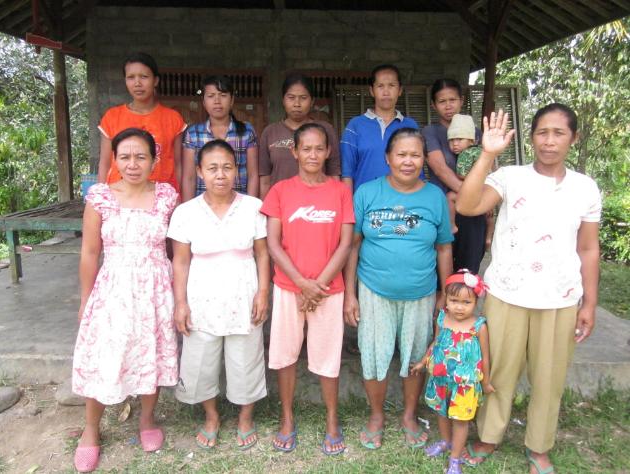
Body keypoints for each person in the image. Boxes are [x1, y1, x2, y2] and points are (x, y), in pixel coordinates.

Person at [456, 106, 601, 474]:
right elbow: (468, 205)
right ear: (532, 136)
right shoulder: (510, 177)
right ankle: (488, 436)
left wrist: (589, 302)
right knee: (499, 372)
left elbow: (588, 248)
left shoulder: (585, 187)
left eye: (559, 133)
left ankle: (539, 446)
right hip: (507, 293)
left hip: (559, 298)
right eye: (542, 132)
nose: (549, 141)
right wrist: (487, 154)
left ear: (573, 138)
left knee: (549, 378)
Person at [72, 128, 179, 472]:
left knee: (151, 351)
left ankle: (147, 419)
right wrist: (86, 299)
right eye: (125, 157)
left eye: (141, 157)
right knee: (106, 355)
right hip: (113, 288)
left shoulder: (167, 196)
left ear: (154, 160)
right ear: (114, 160)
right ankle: (91, 429)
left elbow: (177, 250)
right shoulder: (100, 197)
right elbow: (90, 252)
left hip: (155, 287)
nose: (133, 164)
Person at [343, 128, 453, 451]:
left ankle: (409, 415)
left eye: (415, 155)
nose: (408, 161)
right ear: (388, 158)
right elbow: (352, 245)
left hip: (421, 291)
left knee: (416, 356)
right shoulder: (367, 192)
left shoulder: (434, 197)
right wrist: (350, 293)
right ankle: (376, 415)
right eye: (401, 154)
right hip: (373, 289)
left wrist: (444, 294)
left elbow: (444, 248)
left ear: (424, 160)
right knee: (373, 354)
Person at [169, 140, 270, 450]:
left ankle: (245, 417)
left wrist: (263, 292)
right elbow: (180, 261)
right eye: (212, 168)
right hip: (202, 295)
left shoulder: (253, 207)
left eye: (227, 167)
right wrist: (180, 303)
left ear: (237, 171)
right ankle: (211, 416)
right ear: (200, 172)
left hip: (244, 292)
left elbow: (263, 254)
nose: (220, 175)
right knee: (200, 358)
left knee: (246, 357)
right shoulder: (185, 212)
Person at [261, 123, 354, 455]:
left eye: (319, 149)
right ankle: (287, 418)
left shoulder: (341, 191)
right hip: (289, 287)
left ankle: (332, 419)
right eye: (306, 149)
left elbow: (345, 244)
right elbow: (273, 243)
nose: (313, 155)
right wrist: (301, 283)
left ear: (328, 152)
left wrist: (318, 285)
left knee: (328, 356)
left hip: (329, 289)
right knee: (285, 355)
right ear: (295, 152)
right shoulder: (280, 191)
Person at [411, 270, 494, 474]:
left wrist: (485, 382)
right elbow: (436, 343)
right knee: (441, 411)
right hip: (440, 377)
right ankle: (446, 441)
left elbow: (485, 356)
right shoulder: (442, 319)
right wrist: (423, 361)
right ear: (446, 299)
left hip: (465, 383)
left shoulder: (479, 327)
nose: (459, 307)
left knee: (460, 419)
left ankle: (455, 457)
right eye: (454, 300)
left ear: (476, 302)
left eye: (466, 302)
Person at [97, 52, 186, 193]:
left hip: (161, 197)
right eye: (131, 77)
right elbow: (104, 163)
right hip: (119, 196)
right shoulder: (112, 117)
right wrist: (100, 197)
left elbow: (178, 164)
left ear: (155, 80)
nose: (137, 83)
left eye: (144, 77)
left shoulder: (173, 118)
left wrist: (179, 198)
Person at [422, 79, 486, 273]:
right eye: (442, 101)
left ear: (461, 101)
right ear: (433, 105)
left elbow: (486, 167)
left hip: (473, 212)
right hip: (442, 209)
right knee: (439, 270)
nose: (448, 106)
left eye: (452, 100)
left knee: (468, 271)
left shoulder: (476, 133)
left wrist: (484, 199)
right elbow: (440, 169)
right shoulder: (430, 132)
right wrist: (472, 195)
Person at [259, 74, 341, 199]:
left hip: (319, 203)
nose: (297, 104)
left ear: (312, 101)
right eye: (291, 97)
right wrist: (266, 207)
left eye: (303, 98)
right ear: (283, 100)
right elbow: (265, 180)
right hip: (280, 203)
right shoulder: (270, 132)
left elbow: (334, 173)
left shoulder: (325, 130)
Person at [340, 64, 420, 193]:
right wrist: (349, 204)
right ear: (372, 91)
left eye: (391, 85)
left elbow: (417, 169)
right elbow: (347, 173)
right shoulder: (355, 126)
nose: (386, 92)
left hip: (404, 201)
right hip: (366, 201)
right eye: (380, 86)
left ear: (400, 90)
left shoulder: (410, 125)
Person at [181, 75, 259, 201]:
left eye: (223, 95)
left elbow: (253, 175)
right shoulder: (193, 133)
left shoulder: (246, 131)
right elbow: (189, 178)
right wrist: (188, 208)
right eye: (211, 96)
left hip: (238, 204)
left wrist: (251, 206)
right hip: (203, 205)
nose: (217, 101)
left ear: (232, 100)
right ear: (204, 102)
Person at [445, 114, 494, 243]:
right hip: (489, 188)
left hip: (476, 189)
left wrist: (471, 177)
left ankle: (452, 225)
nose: (455, 144)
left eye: (459, 139)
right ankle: (489, 237)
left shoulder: (465, 154)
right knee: (489, 215)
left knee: (449, 197)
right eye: (451, 140)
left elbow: (461, 174)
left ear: (471, 141)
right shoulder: (482, 150)